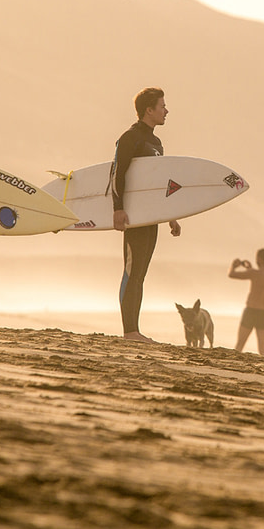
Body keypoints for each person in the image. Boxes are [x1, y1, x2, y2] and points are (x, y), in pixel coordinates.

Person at [111, 87, 181, 342]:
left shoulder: (156, 143)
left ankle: (134, 330)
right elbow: (117, 175)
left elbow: (156, 185)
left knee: (140, 272)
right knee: (131, 270)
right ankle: (129, 331)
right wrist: (118, 209)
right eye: (162, 106)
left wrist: (170, 215)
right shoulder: (130, 138)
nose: (166, 110)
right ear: (149, 110)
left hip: (151, 219)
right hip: (133, 217)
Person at [229, 248, 264, 355]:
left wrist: (233, 266)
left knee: (240, 344)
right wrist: (250, 269)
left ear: (259, 258)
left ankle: (233, 362)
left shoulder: (254, 273)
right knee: (263, 348)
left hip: (251, 311)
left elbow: (231, 274)